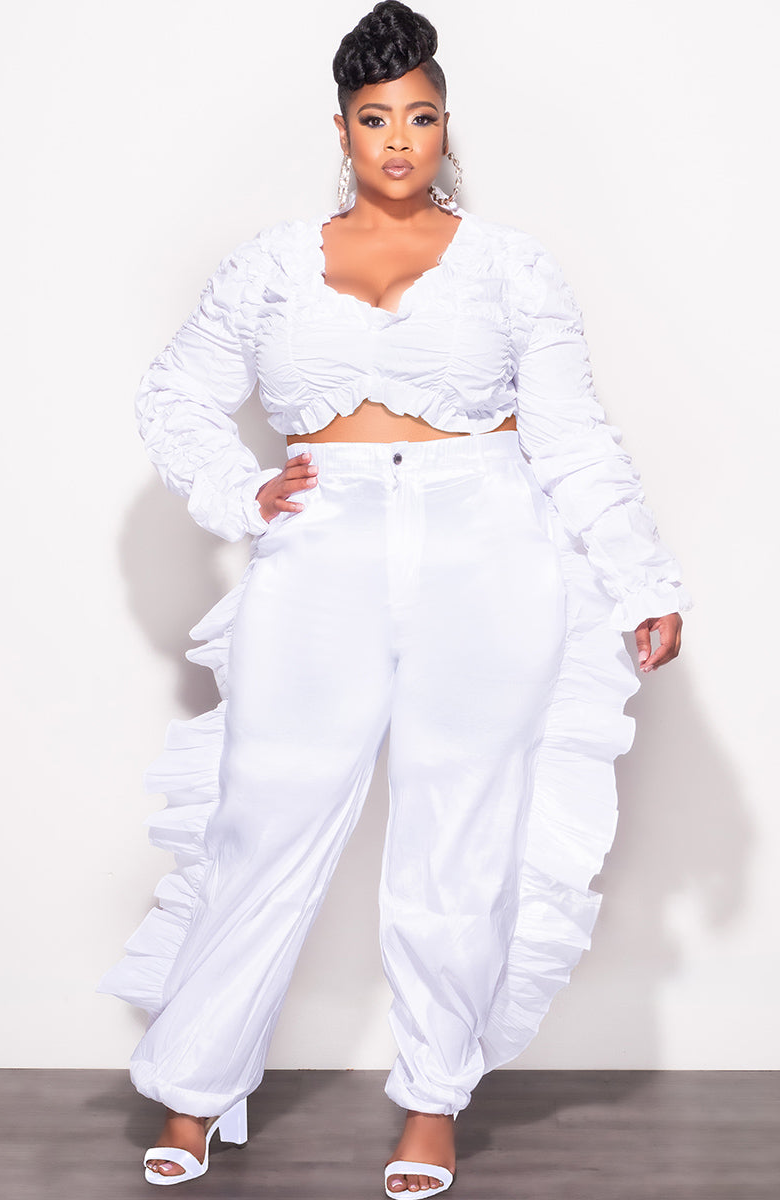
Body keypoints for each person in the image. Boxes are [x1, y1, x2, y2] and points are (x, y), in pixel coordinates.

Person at [98, 2, 691, 1194]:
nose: (399, 140)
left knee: (459, 832)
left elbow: (572, 434)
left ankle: (430, 1103)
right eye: (375, 119)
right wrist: (241, 493)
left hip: (489, 545)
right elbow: (174, 394)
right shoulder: (270, 268)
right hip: (323, 546)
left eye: (419, 117)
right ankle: (194, 1090)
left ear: (445, 125)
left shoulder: (510, 267)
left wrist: (638, 576)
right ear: (342, 129)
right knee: (265, 818)